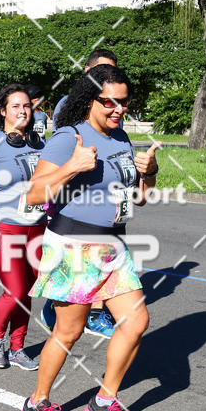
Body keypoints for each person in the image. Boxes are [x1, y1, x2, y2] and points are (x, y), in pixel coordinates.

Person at [19, 64, 159, 411]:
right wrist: (73, 167)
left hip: (113, 246)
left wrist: (150, 174)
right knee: (69, 331)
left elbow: (137, 202)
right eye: (109, 102)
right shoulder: (69, 137)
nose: (118, 109)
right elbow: (33, 194)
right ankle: (38, 403)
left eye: (124, 103)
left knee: (136, 322)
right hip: (72, 246)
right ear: (89, 99)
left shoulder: (123, 139)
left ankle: (104, 401)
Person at [44, 48, 119, 340]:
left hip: (107, 194)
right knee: (76, 264)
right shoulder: (69, 104)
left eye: (111, 71)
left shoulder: (115, 105)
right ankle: (58, 304)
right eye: (99, 71)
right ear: (86, 72)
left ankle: (97, 314)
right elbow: (60, 150)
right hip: (73, 193)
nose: (105, 77)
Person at [0, 84, 47, 371]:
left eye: (27, 106)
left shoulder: (40, 144)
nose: (23, 111)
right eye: (15, 106)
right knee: (15, 290)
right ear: (2, 111)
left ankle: (17, 347)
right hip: (6, 228)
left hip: (38, 228)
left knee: (29, 290)